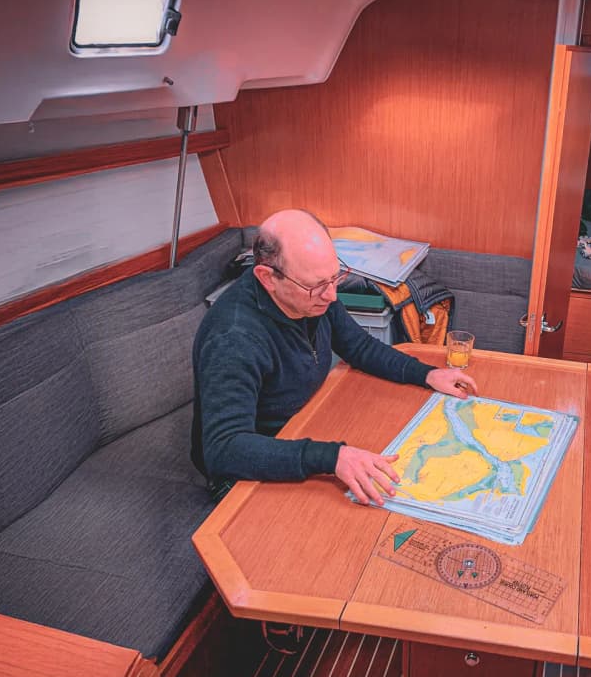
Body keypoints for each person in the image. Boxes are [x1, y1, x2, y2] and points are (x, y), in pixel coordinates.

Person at [191, 209, 477, 505]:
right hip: (253, 464)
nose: (331, 296)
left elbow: (360, 347)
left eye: (335, 277)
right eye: (316, 286)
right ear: (268, 278)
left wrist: (427, 374)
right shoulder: (233, 338)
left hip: (304, 425)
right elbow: (224, 450)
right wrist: (331, 457)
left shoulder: (316, 296)